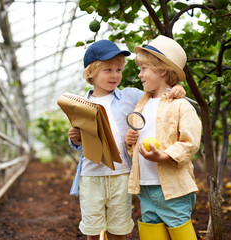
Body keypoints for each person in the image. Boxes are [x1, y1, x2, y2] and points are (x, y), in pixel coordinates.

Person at [68, 39, 186, 240]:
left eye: (119, 70)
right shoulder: (81, 105)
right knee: (93, 229)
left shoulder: (131, 96)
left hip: (122, 174)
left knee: (119, 227)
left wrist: (176, 89)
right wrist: (76, 140)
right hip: (91, 174)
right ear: (91, 73)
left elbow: (158, 95)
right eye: (108, 70)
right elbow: (79, 144)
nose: (115, 75)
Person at [125, 35, 201, 240]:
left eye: (144, 69)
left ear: (163, 71)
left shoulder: (181, 105)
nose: (140, 74)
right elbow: (137, 145)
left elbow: (190, 142)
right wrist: (130, 141)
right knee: (151, 232)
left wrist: (164, 156)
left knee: (179, 230)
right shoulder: (141, 104)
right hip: (146, 185)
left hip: (173, 188)